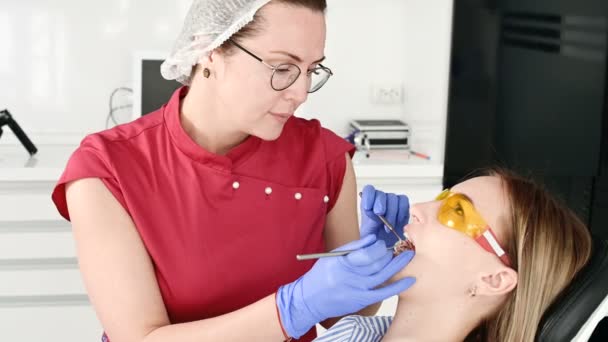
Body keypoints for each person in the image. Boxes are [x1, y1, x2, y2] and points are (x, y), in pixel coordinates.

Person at [51, 1, 416, 341]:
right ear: (211, 48)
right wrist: (290, 310)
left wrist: (372, 270)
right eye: (283, 68)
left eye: (311, 70)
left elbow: (343, 319)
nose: (301, 92)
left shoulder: (325, 158)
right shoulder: (108, 169)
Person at [315, 168, 593, 342]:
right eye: (441, 199)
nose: (416, 209)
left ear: (494, 280)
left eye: (457, 212)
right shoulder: (355, 333)